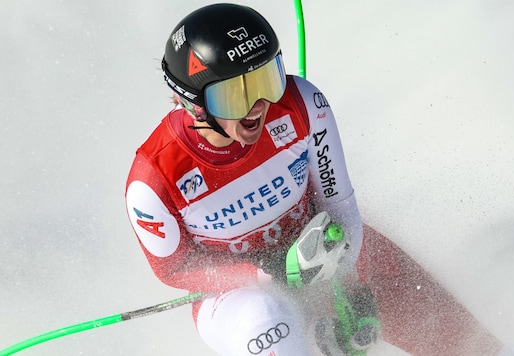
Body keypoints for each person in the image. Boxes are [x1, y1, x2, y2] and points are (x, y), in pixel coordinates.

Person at [125, 3, 377, 355]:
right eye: (235, 95)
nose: (258, 104)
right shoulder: (153, 181)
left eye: (266, 80)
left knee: (393, 284)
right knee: (268, 315)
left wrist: (352, 282)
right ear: (194, 103)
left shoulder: (302, 103)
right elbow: (174, 268)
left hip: (321, 248)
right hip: (236, 294)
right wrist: (264, 274)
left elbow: (339, 201)